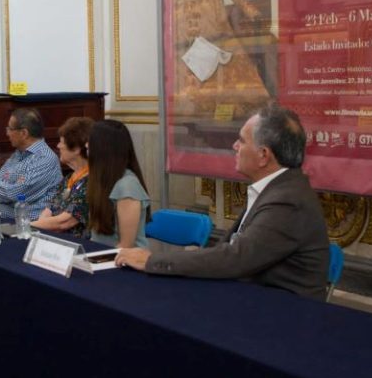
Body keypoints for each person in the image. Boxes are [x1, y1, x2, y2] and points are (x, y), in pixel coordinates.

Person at [116, 103, 330, 301]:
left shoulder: (288, 201)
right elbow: (231, 251)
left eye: (242, 141)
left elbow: (236, 258)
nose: (235, 146)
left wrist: (151, 261)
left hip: (285, 313)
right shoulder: (278, 188)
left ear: (263, 155)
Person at [0, 108, 62, 220]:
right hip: (9, 217)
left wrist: (0, 188)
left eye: (10, 129)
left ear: (24, 133)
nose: (7, 133)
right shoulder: (17, 154)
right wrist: (4, 189)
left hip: (33, 223)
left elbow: (14, 193)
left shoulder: (45, 159)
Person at [87, 120, 151, 248]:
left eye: (91, 142)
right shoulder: (102, 180)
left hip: (123, 257)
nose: (86, 145)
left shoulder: (127, 187)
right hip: (102, 253)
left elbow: (126, 246)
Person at [32, 116, 94, 237]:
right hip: (55, 239)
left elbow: (64, 222)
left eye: (61, 142)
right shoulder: (68, 178)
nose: (58, 146)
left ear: (76, 149)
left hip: (78, 245)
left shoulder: (92, 182)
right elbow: (49, 210)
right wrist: (41, 226)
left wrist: (26, 227)